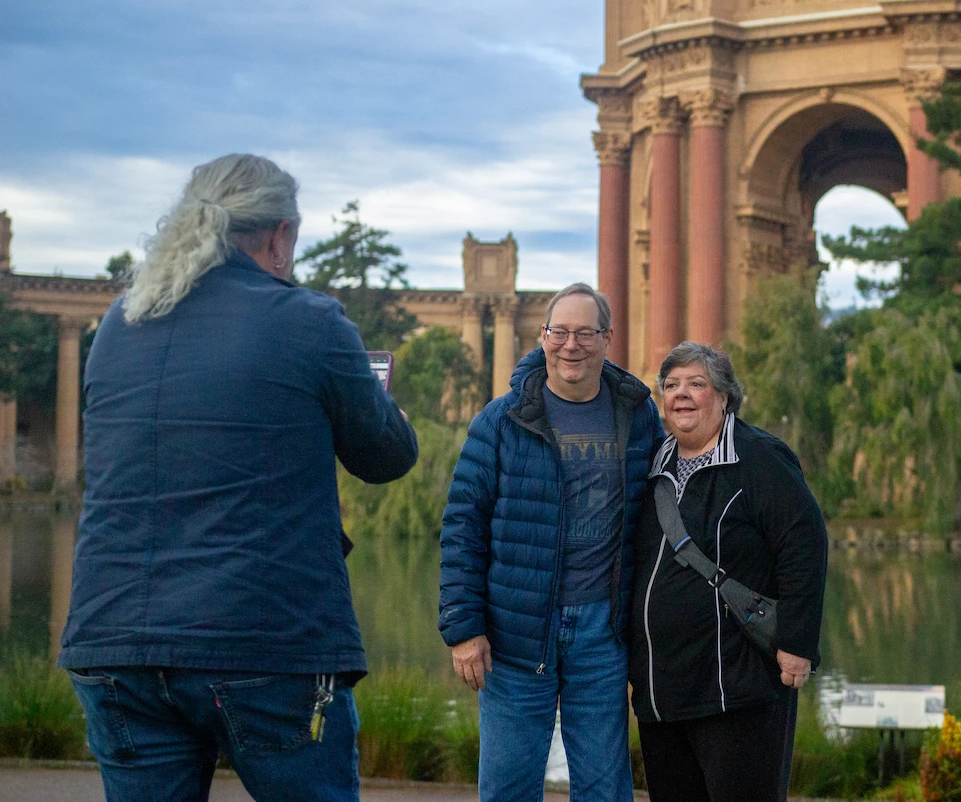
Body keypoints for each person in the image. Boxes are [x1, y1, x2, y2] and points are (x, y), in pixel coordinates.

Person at [58, 153, 418, 802]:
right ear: (279, 236)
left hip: (115, 638)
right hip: (264, 637)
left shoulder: (120, 322)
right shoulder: (309, 319)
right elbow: (386, 455)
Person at [439, 283, 665, 802]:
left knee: (605, 789)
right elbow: (462, 527)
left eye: (585, 333)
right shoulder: (501, 421)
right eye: (559, 332)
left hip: (602, 635)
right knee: (508, 789)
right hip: (516, 631)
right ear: (542, 337)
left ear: (608, 338)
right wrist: (463, 628)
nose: (571, 345)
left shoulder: (637, 416)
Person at [629, 341, 828, 802]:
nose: (682, 394)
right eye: (672, 384)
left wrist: (797, 643)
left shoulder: (758, 457)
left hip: (737, 689)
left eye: (697, 384)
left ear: (723, 397)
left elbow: (805, 543)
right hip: (664, 694)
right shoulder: (655, 464)